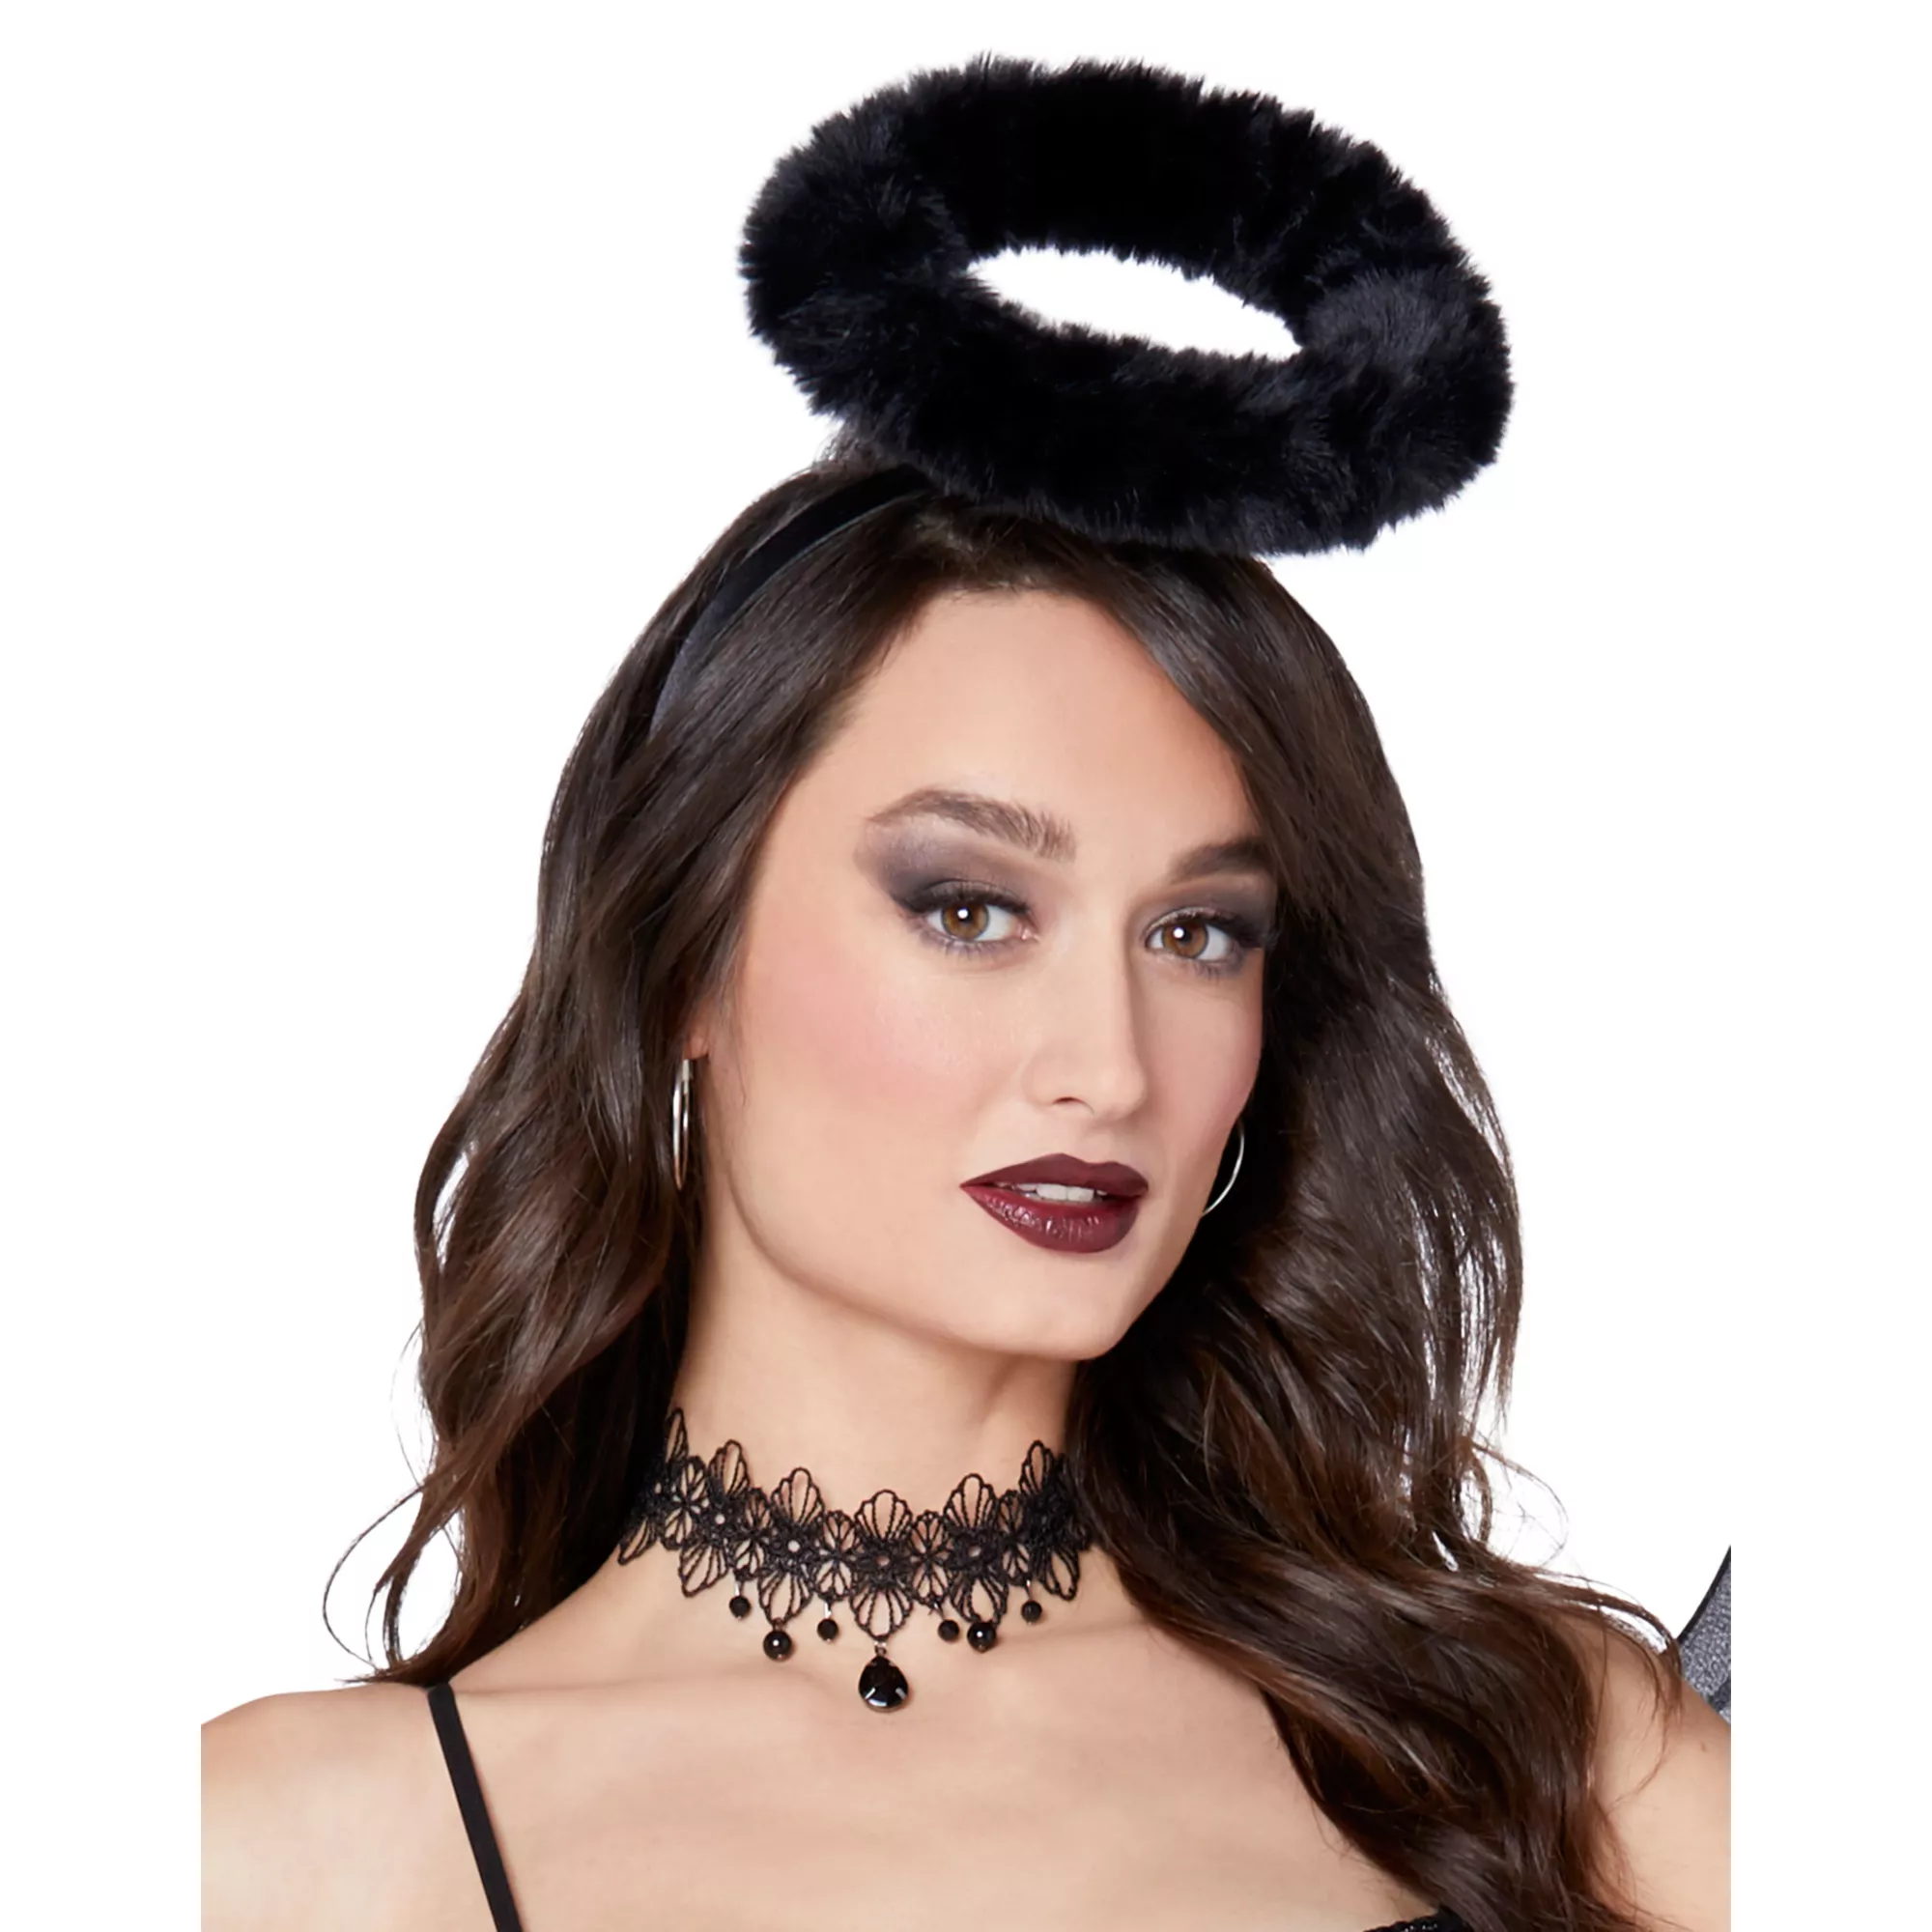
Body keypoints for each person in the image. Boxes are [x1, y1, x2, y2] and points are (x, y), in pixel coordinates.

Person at [203, 58, 1728, 1932]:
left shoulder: (1547, 1751)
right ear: (678, 955)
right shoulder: (286, 1848)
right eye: (970, 907)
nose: (1107, 1066)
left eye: (1200, 934)